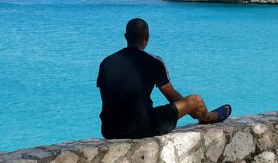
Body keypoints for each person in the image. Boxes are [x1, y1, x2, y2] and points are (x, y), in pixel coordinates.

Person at [97, 18, 231, 139]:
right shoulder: (154, 62)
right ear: (147, 37)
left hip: (109, 130)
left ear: (126, 37)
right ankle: (207, 117)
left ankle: (201, 113)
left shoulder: (106, 62)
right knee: (196, 100)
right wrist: (193, 108)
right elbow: (172, 97)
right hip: (142, 128)